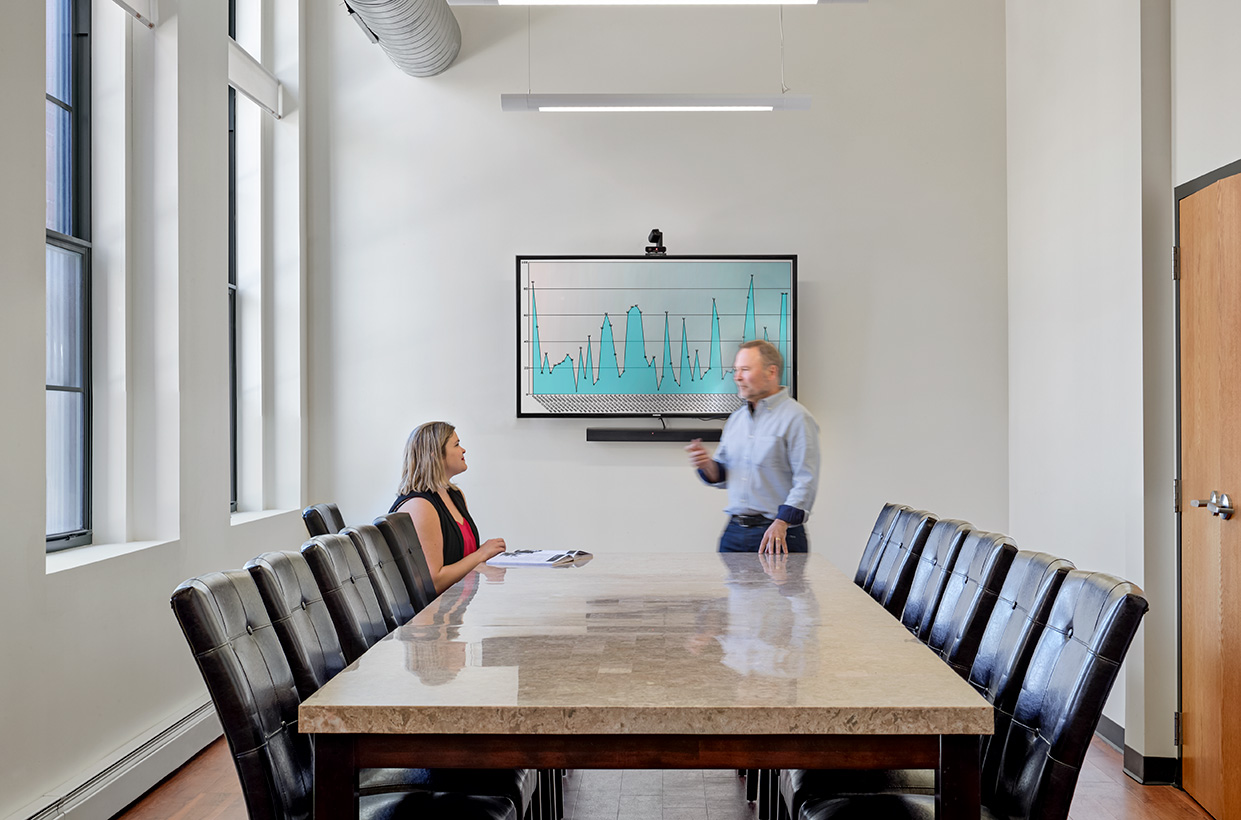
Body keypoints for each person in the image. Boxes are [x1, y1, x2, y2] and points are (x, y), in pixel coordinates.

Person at [686, 339, 820, 553]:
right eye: (736, 370)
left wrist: (782, 523)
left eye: (745, 370)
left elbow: (806, 480)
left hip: (777, 533)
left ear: (771, 372)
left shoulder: (797, 418)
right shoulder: (736, 420)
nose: (737, 377)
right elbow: (724, 473)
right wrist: (707, 465)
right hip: (734, 533)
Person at [390, 421, 507, 593]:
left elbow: (459, 558)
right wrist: (481, 554)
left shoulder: (455, 495)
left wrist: (484, 557)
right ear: (435, 455)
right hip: (433, 615)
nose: (463, 450)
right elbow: (434, 581)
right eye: (457, 445)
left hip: (457, 607)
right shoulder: (420, 506)